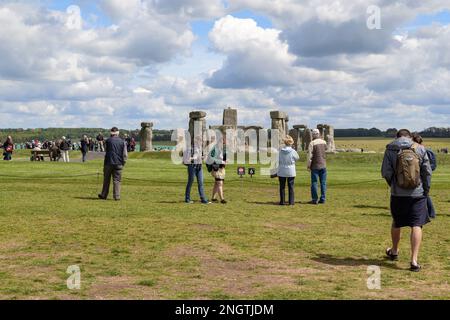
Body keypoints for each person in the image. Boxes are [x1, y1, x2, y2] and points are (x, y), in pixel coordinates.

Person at [382, 129, 432, 272]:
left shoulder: (390, 148)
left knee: (397, 222)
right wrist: (426, 190)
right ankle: (414, 260)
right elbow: (427, 172)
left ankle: (394, 251)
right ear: (410, 136)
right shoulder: (420, 148)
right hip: (418, 193)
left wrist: (393, 185)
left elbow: (386, 172)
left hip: (397, 194)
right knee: (417, 224)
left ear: (397, 137)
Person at [98, 127, 128, 201]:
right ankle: (117, 196)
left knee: (106, 180)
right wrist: (123, 162)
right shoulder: (122, 141)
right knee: (117, 180)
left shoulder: (107, 141)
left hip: (108, 162)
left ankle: (104, 194)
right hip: (119, 163)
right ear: (118, 133)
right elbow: (125, 154)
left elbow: (105, 150)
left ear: (111, 133)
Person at [412, 133, 436, 219]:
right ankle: (430, 213)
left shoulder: (426, 151)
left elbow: (432, 165)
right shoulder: (425, 150)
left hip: (421, 177)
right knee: (424, 195)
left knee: (424, 195)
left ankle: (431, 213)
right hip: (422, 176)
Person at [183, 136, 210, 204]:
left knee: (201, 183)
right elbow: (187, 159)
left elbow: (200, 157)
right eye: (199, 141)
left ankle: (203, 199)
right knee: (190, 182)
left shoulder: (200, 149)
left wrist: (203, 157)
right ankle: (187, 198)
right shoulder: (189, 149)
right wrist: (193, 158)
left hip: (199, 166)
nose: (201, 142)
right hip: (192, 166)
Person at [277, 135, 300, 206]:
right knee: (291, 186)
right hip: (290, 170)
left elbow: (277, 159)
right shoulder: (293, 151)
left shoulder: (280, 151)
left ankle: (282, 201)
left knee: (282, 186)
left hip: (282, 169)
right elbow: (297, 158)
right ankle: (291, 202)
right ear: (291, 143)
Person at [307, 129, 327, 204]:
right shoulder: (324, 142)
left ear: (313, 135)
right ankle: (323, 198)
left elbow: (310, 156)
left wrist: (308, 166)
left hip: (315, 165)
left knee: (314, 182)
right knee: (323, 183)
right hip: (323, 165)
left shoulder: (312, 143)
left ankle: (315, 199)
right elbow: (326, 150)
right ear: (319, 134)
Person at [208, 136, 227, 204]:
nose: (223, 144)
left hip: (222, 168)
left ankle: (213, 198)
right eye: (222, 143)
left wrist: (225, 161)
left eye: (224, 143)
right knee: (220, 183)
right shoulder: (214, 149)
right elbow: (212, 158)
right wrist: (221, 162)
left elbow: (224, 157)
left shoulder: (224, 149)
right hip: (216, 168)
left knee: (217, 183)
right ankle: (222, 199)